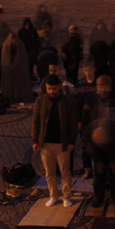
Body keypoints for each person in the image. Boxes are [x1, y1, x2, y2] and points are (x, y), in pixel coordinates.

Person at [32, 75, 79, 208]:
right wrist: (35, 140)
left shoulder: (69, 102)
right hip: (46, 143)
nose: (51, 91)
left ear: (59, 86)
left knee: (65, 171)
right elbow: (36, 122)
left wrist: (71, 141)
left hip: (62, 143)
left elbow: (72, 123)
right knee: (49, 172)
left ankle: (66, 196)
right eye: (48, 89)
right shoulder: (40, 101)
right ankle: (53, 195)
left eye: (53, 88)